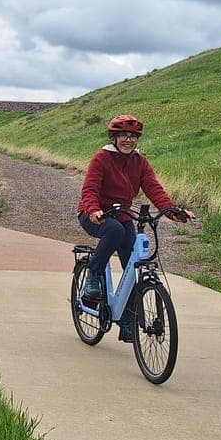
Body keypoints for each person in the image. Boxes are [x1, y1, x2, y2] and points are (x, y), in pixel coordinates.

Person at [77, 114, 194, 342]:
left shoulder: (140, 162)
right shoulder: (101, 158)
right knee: (115, 231)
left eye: (132, 136)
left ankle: (128, 319)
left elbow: (154, 188)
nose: (128, 140)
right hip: (95, 215)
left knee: (134, 266)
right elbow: (89, 189)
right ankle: (93, 274)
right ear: (114, 138)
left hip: (122, 215)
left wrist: (173, 211)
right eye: (122, 136)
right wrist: (93, 210)